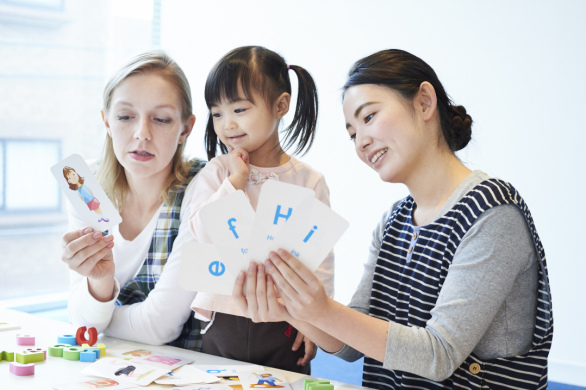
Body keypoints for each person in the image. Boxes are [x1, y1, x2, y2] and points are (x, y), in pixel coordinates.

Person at [233, 49, 553, 388]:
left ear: (425, 102)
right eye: (352, 134)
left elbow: (438, 355)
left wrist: (322, 308)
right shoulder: (394, 221)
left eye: (368, 117)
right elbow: (350, 345)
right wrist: (288, 307)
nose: (362, 142)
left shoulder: (493, 213)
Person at [187, 45, 335, 374]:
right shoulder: (216, 173)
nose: (227, 124)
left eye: (239, 109)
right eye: (217, 113)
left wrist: (317, 319)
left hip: (284, 320)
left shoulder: (308, 181)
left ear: (281, 105)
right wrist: (235, 183)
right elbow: (202, 232)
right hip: (223, 317)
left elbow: (320, 259)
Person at [62, 50, 206, 350]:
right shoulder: (83, 182)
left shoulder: (203, 188)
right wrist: (100, 283)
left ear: (186, 128)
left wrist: (99, 321)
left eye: (162, 119)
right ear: (106, 121)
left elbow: (158, 327)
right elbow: (82, 323)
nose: (142, 133)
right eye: (125, 117)